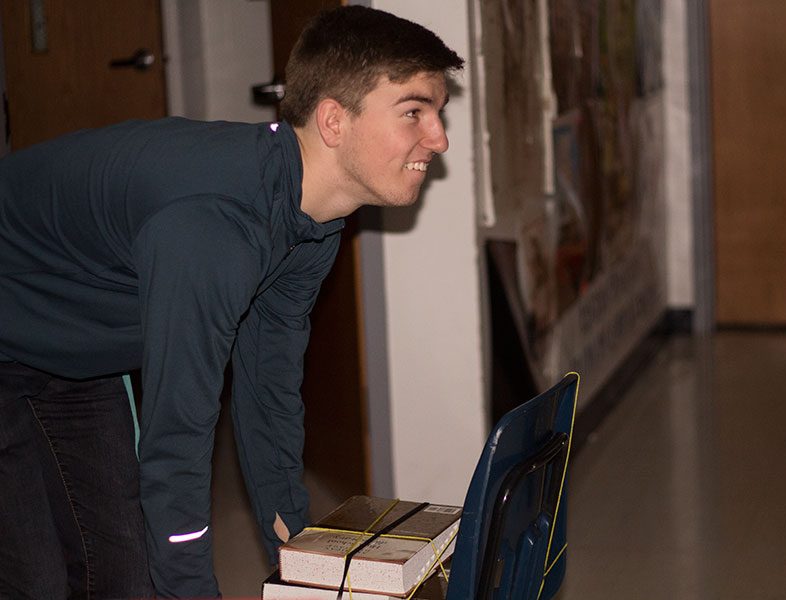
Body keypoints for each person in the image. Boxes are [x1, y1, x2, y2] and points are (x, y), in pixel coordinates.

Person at [0, 6, 464, 599]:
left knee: (122, 574)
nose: (439, 139)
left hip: (75, 352)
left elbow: (267, 387)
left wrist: (301, 552)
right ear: (333, 121)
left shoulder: (311, 223)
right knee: (33, 578)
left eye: (438, 115)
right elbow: (180, 438)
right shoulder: (215, 226)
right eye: (414, 113)